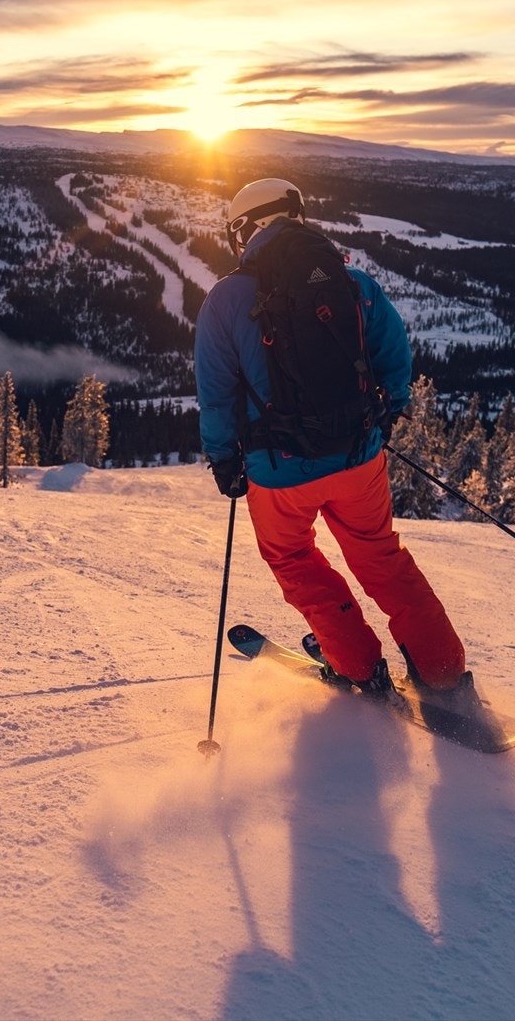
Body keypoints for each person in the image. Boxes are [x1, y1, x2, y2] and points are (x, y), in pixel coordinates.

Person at [195, 177, 470, 699]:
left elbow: (216, 391)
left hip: (278, 470)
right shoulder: (353, 282)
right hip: (359, 457)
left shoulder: (227, 298)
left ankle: (356, 664)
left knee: (295, 560)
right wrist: (391, 410)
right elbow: (394, 352)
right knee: (381, 556)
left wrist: (224, 459)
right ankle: (442, 670)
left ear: (245, 227)